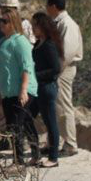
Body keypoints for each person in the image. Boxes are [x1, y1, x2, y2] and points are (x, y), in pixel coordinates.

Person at [0, 9, 39, 164]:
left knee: (16, 125)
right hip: (7, 91)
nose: (1, 23)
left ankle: (19, 161)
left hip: (22, 90)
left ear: (13, 23)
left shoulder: (20, 41)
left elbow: (27, 67)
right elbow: (0, 67)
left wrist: (24, 90)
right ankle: (36, 154)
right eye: (1, 20)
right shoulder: (1, 41)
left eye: (5, 21)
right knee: (25, 122)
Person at [46, 0, 83, 157]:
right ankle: (54, 142)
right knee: (53, 107)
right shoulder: (58, 23)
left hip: (63, 69)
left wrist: (54, 70)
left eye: (47, 5)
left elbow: (67, 53)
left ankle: (70, 144)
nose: (46, 8)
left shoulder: (68, 24)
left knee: (64, 106)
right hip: (57, 69)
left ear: (53, 6)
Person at [29, 12, 63, 167]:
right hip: (37, 88)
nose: (33, 28)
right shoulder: (37, 44)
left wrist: (36, 75)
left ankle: (53, 158)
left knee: (50, 122)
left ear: (42, 26)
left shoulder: (49, 45)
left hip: (47, 88)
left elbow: (55, 69)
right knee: (27, 117)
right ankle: (35, 153)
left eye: (35, 25)